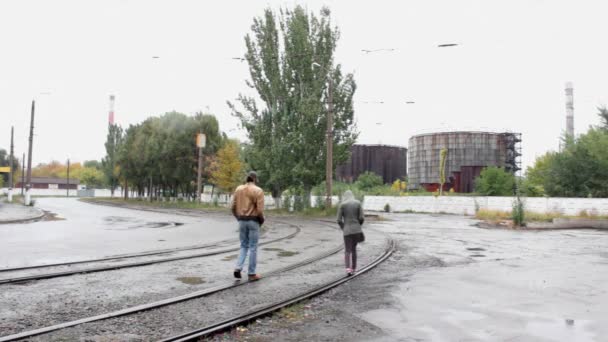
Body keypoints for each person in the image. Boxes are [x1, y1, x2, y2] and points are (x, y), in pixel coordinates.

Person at [231, 171, 265, 281]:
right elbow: (259, 210)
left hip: (241, 220)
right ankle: (251, 274)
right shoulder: (258, 190)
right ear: (255, 179)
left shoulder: (238, 189)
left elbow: (232, 207)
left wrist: (239, 218)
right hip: (253, 221)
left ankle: (238, 267)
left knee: (243, 245)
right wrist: (261, 220)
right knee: (253, 247)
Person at [336, 190, 365, 276]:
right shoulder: (358, 203)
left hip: (347, 231)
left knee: (347, 250)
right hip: (356, 230)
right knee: (354, 249)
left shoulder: (342, 205)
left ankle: (348, 269)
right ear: (352, 195)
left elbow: (338, 220)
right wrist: (358, 225)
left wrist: (343, 227)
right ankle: (354, 268)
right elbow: (361, 218)